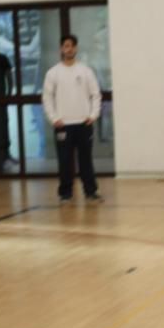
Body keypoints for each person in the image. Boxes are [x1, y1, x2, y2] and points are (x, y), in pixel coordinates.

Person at [42, 34, 103, 203]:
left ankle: (90, 191)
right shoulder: (53, 73)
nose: (69, 49)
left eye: (72, 46)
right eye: (66, 46)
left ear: (76, 49)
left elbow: (96, 94)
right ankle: (65, 194)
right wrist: (54, 118)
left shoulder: (85, 71)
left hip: (84, 124)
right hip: (63, 125)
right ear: (62, 49)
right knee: (65, 161)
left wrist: (93, 115)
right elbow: (47, 98)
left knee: (85, 160)